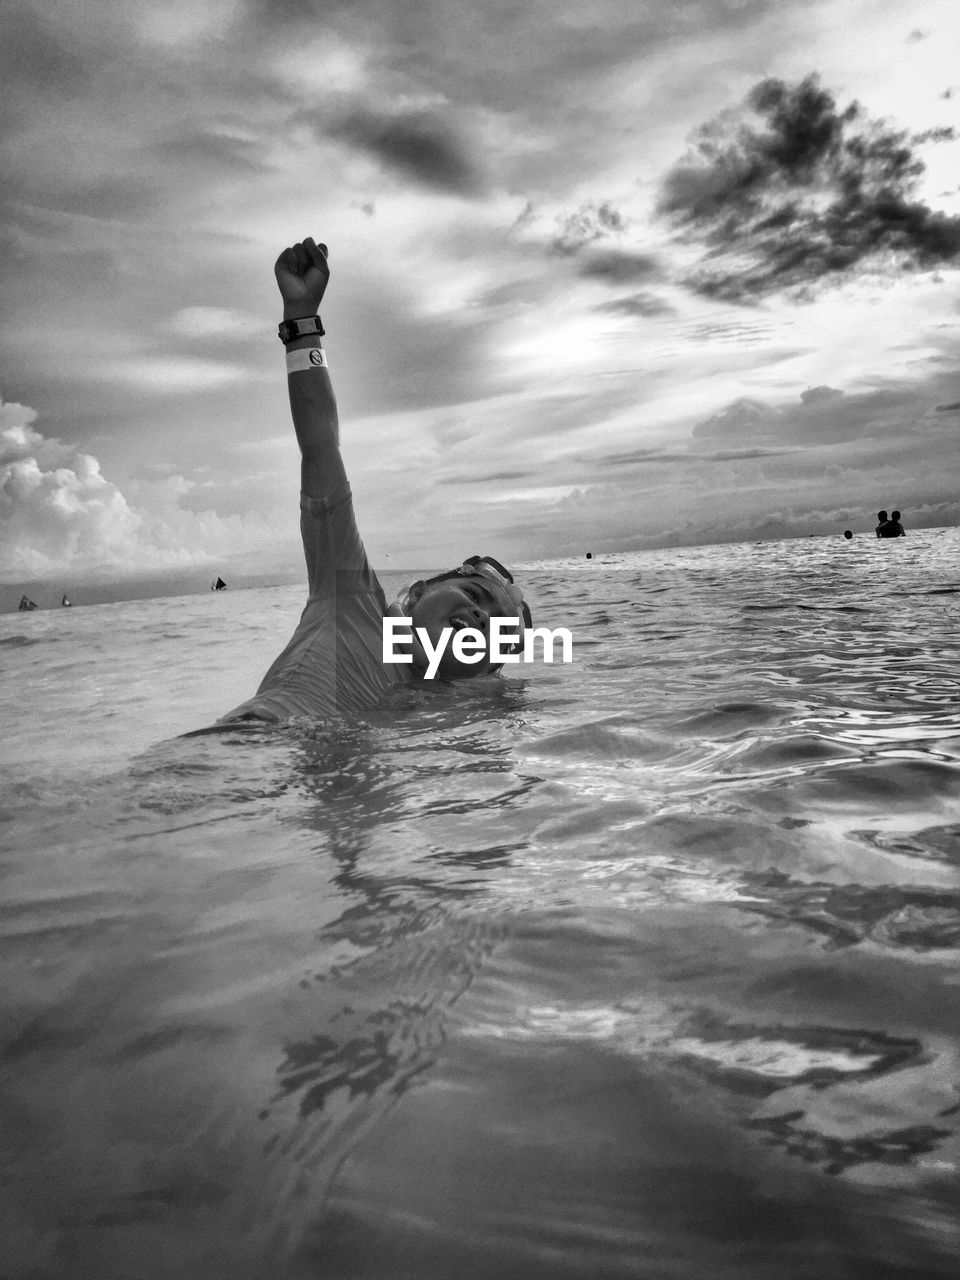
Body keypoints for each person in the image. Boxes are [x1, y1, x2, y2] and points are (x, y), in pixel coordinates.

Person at [215, 237, 530, 728]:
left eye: (499, 636)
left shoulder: (437, 716)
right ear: (421, 590)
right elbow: (321, 447)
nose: (484, 621)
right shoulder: (353, 604)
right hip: (241, 759)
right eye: (476, 596)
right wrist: (301, 321)